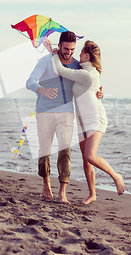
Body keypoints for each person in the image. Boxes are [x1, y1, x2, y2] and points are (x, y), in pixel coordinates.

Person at [26, 31, 102, 204]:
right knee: (45, 150)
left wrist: (99, 94)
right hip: (44, 110)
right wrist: (42, 90)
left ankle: (62, 192)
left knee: (64, 150)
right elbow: (30, 81)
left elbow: (91, 81)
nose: (69, 52)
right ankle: (46, 183)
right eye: (66, 48)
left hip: (66, 111)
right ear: (59, 46)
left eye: (72, 49)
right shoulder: (46, 62)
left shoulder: (76, 65)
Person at [52, 40, 125, 204]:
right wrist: (101, 94)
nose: (78, 55)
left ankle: (116, 176)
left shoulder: (86, 74)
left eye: (81, 52)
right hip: (83, 121)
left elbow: (60, 70)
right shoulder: (86, 71)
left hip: (95, 119)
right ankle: (92, 194)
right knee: (86, 160)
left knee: (90, 156)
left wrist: (56, 54)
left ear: (87, 55)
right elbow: (95, 91)